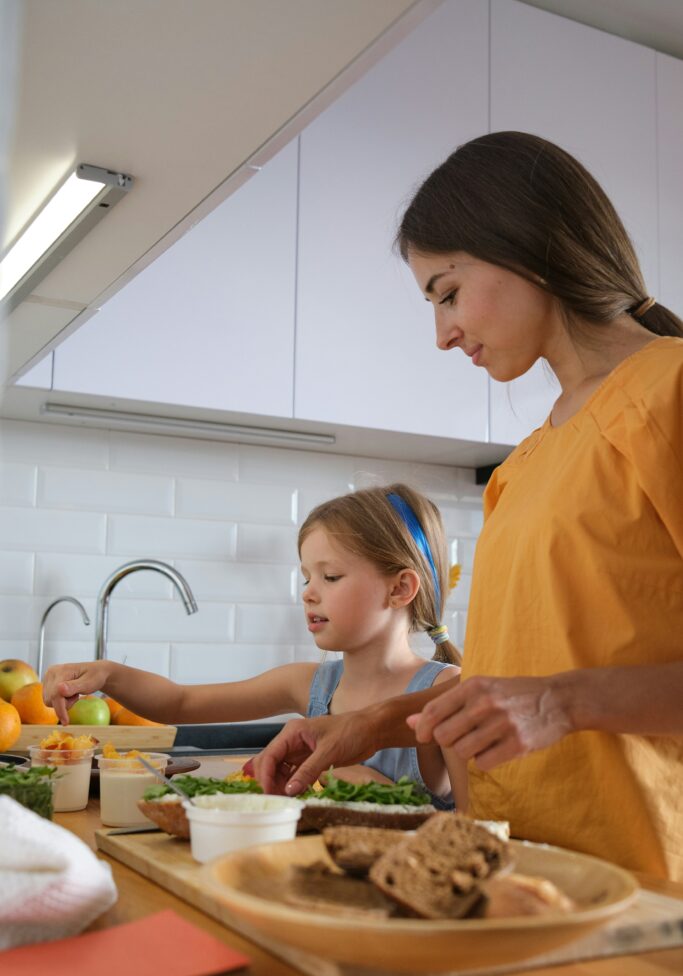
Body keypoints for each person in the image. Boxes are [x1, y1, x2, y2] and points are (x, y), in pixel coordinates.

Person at [249, 131, 683, 881]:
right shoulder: (524, 463)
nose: (443, 334)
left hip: (642, 887)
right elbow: (521, 674)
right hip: (513, 873)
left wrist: (559, 703)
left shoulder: (668, 394)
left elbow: (551, 694)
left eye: (447, 292)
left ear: (532, 245)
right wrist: (374, 723)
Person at [43, 482, 464, 808]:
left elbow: (476, 825)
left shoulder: (450, 692)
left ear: (400, 588)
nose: (309, 593)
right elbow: (182, 703)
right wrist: (108, 674)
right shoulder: (311, 684)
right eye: (306, 578)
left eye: (330, 577)